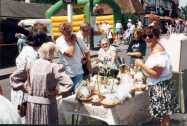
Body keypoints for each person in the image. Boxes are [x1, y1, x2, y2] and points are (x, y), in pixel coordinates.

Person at [10, 42, 73, 124]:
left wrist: (25, 88)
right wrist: (57, 91)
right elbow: (69, 83)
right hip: (47, 104)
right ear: (53, 53)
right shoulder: (53, 67)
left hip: (31, 104)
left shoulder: (30, 64)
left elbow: (14, 78)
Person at [135, 26, 179, 126]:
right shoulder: (156, 46)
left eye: (150, 36)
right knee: (164, 116)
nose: (147, 38)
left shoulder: (158, 53)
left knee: (165, 116)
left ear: (156, 37)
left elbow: (156, 74)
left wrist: (142, 65)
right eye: (144, 36)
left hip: (160, 88)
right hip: (162, 86)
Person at [10, 30, 49, 122]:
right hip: (25, 93)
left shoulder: (30, 51)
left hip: (26, 91)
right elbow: (17, 77)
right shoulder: (31, 55)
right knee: (26, 118)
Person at [56, 22, 88, 93]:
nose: (69, 33)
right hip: (66, 73)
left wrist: (89, 65)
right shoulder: (59, 40)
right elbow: (70, 54)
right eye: (66, 31)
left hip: (78, 71)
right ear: (62, 32)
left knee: (79, 94)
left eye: (70, 31)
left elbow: (86, 51)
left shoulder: (78, 38)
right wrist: (73, 42)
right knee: (66, 97)